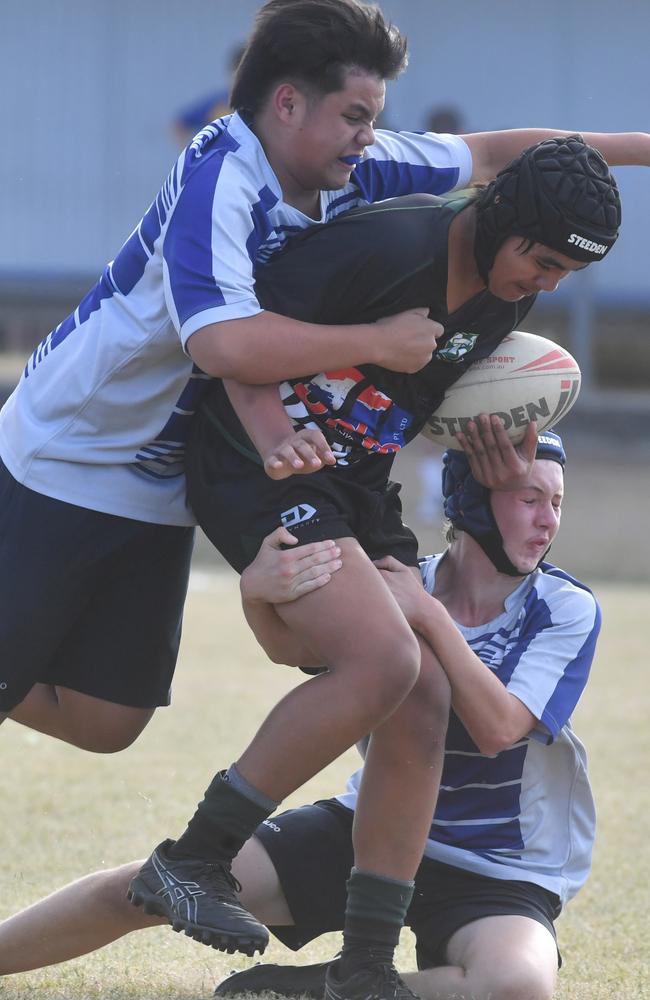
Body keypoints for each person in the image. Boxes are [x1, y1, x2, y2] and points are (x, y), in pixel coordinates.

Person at [4, 0, 640, 752]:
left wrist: (637, 146)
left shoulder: (349, 164)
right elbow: (225, 348)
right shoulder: (221, 180)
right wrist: (378, 339)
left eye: (375, 115)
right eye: (356, 114)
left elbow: (497, 155)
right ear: (287, 102)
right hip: (70, 454)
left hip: (159, 477)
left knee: (105, 720)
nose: (369, 134)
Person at [122, 136, 619, 1000]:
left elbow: (405, 405)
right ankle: (192, 860)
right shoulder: (393, 247)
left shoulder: (501, 307)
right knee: (386, 660)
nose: (544, 285)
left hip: (351, 479)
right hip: (255, 458)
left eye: (563, 276)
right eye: (540, 261)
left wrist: (483, 450)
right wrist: (278, 436)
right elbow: (230, 342)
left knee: (421, 695)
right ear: (502, 220)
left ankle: (361, 971)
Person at [0, 431, 599, 1000]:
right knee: (141, 894)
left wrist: (429, 617)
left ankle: (318, 987)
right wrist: (258, 594)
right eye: (529, 499)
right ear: (470, 497)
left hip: (497, 869)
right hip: (368, 833)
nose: (548, 520)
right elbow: (296, 653)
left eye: (557, 502)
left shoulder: (563, 608)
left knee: (517, 988)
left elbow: (500, 728)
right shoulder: (398, 580)